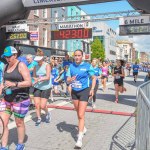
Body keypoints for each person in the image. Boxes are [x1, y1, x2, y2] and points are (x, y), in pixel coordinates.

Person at [0, 46, 31, 150]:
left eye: (9, 57)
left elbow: (29, 82)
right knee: (3, 123)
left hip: (20, 99)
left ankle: (20, 143)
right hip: (6, 99)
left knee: (19, 122)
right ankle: (4, 146)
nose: (7, 59)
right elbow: (3, 83)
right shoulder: (5, 66)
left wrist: (14, 84)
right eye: (5, 57)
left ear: (15, 55)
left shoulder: (21, 65)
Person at [66, 49, 96, 148]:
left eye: (79, 55)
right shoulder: (71, 66)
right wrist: (70, 79)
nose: (77, 57)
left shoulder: (87, 66)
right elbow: (68, 80)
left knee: (81, 114)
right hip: (74, 91)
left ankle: (79, 139)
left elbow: (93, 78)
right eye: (75, 55)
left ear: (82, 56)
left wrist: (92, 89)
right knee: (78, 112)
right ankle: (83, 127)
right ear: (73, 56)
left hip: (84, 91)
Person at [33, 48, 51, 126]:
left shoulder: (47, 65)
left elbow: (47, 77)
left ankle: (47, 113)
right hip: (37, 86)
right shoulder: (35, 66)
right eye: (37, 60)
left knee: (42, 105)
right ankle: (39, 118)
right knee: (37, 104)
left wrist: (39, 79)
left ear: (42, 58)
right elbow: (34, 76)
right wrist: (35, 79)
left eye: (39, 60)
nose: (38, 61)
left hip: (46, 87)